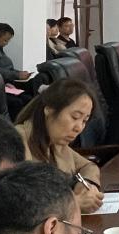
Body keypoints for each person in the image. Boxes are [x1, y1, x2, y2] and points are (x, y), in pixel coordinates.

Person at [13, 79, 104, 214]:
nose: (79, 128)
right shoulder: (17, 141)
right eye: (75, 117)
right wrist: (73, 204)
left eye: (84, 120)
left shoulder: (56, 142)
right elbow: (20, 203)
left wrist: (85, 184)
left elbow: (88, 166)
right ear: (49, 110)